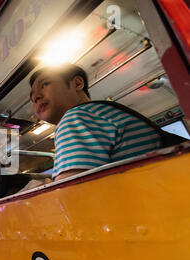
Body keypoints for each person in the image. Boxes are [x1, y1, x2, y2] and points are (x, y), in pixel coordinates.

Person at [29, 63, 167, 181]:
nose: (36, 97)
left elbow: (73, 196)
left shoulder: (76, 118)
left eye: (45, 84)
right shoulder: (101, 113)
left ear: (77, 83)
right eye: (32, 96)